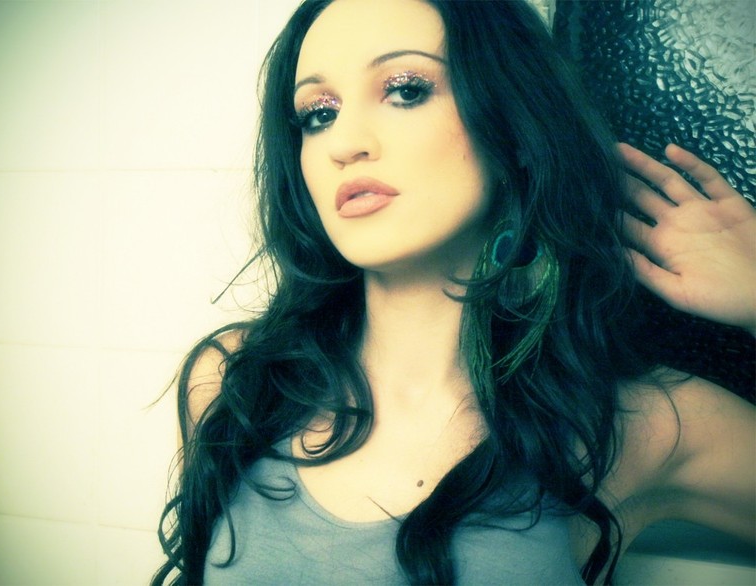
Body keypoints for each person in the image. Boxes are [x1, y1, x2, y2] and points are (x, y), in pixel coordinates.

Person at [153, 0, 756, 584]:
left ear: (513, 128)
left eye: (406, 89)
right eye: (318, 113)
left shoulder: (633, 425)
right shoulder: (235, 384)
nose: (343, 142)